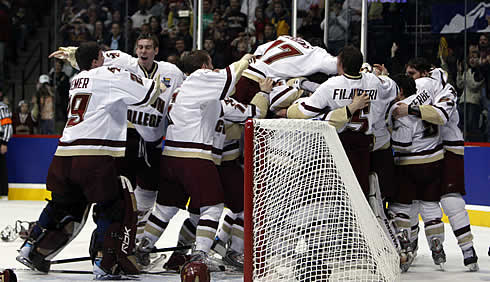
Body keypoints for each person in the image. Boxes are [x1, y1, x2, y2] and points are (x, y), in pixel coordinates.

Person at [16, 41, 163, 280]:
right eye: (102, 56)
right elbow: (150, 93)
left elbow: (93, 75)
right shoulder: (110, 73)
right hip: (93, 155)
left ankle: (31, 248)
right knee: (113, 207)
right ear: (97, 60)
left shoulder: (77, 80)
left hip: (63, 153)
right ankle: (103, 263)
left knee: (63, 205)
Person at [136, 50, 271, 272]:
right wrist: (249, 66)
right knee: (213, 208)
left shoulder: (187, 92)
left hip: (171, 155)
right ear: (205, 66)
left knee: (165, 209)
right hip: (195, 157)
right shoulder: (200, 80)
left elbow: (243, 112)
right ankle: (200, 254)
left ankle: (143, 247)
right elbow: (248, 103)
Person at [49, 33, 186, 245]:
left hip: (154, 141)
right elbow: (91, 58)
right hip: (128, 137)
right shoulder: (122, 61)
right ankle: (116, 241)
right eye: (140, 47)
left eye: (148, 47)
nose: (143, 51)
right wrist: (71, 53)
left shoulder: (172, 72)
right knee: (121, 194)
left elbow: (186, 93)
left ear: (156, 51)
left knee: (148, 194)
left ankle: (136, 240)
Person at [394, 59, 479, 271]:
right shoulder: (427, 86)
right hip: (433, 152)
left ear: (425, 72)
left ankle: (468, 250)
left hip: (449, 148)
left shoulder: (444, 89)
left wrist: (408, 110)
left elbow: (440, 115)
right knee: (420, 201)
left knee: (451, 202)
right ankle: (413, 247)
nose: (412, 79)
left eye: (413, 74)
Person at [284, 45, 382, 197]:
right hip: (365, 144)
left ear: (340, 64)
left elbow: (302, 113)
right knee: (360, 194)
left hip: (339, 144)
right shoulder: (374, 82)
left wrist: (293, 106)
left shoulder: (332, 84)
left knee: (338, 194)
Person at [0, 96, 12, 196]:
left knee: (1, 167)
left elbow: (8, 126)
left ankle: (3, 193)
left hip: (0, 140)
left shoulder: (2, 107)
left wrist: (4, 142)